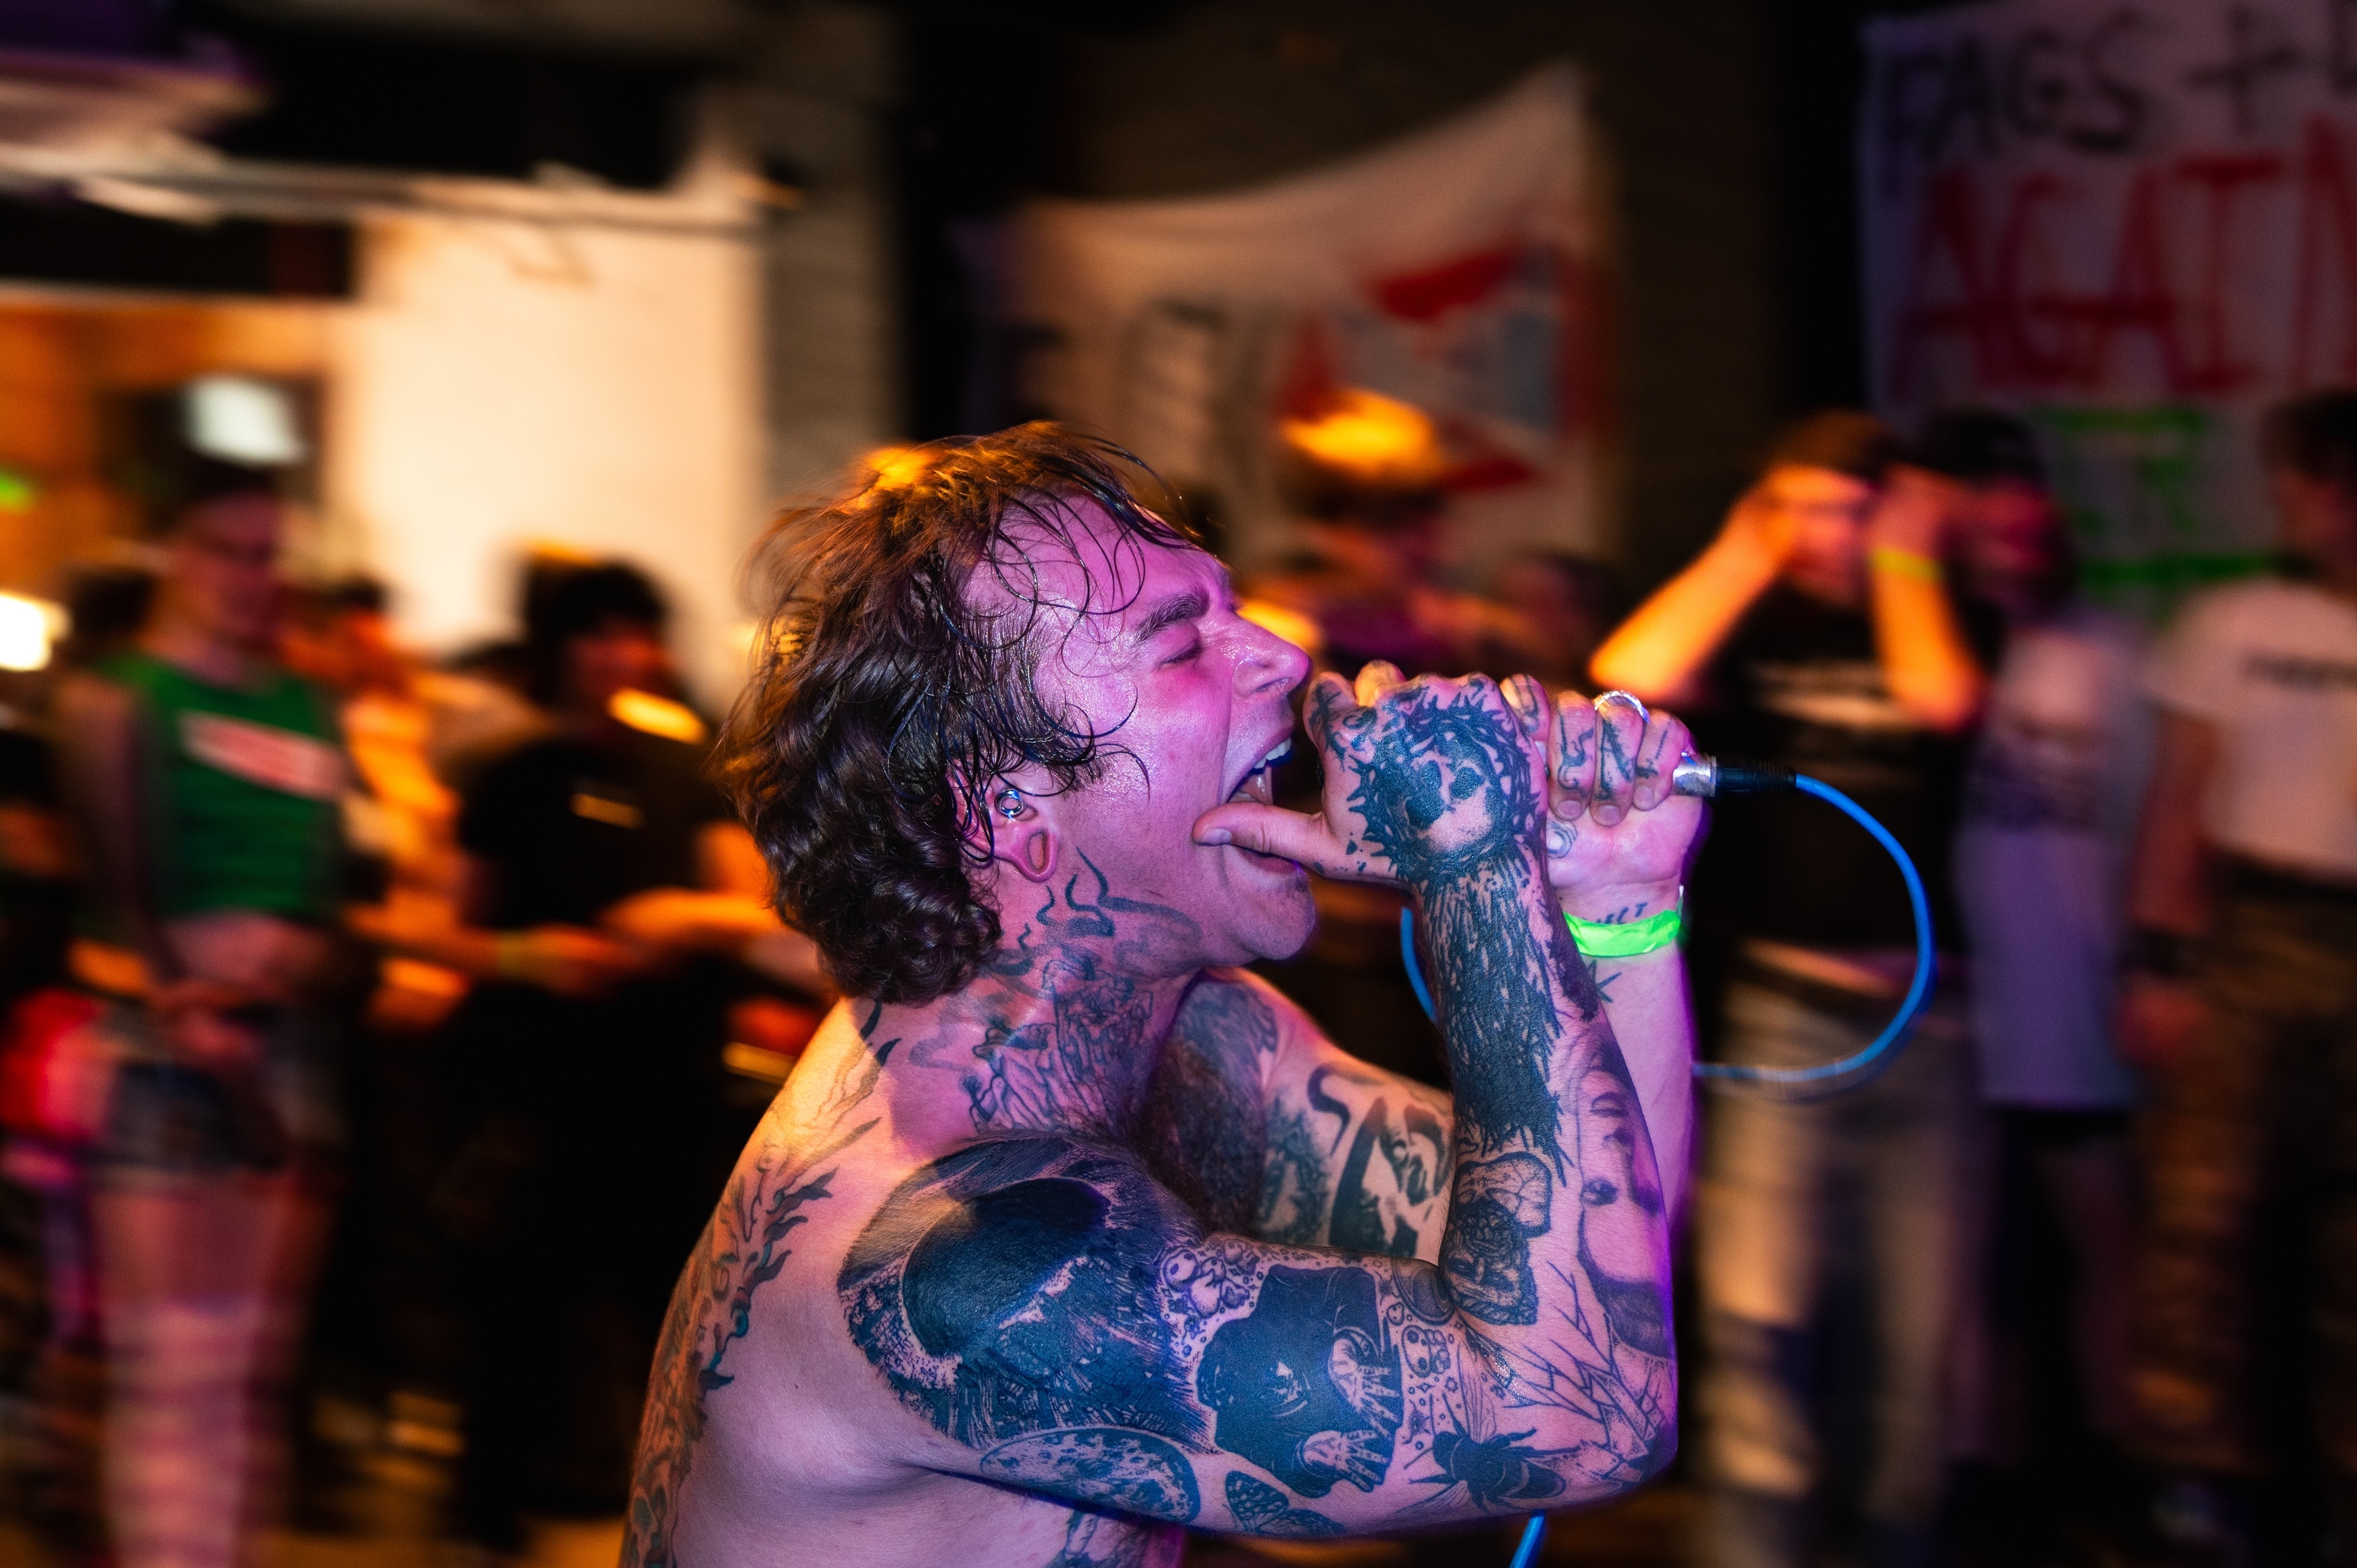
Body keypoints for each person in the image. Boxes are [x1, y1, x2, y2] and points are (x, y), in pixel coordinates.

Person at [620, 424, 1704, 1567]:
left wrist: (1617, 906)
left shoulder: (1199, 1032)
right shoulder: (950, 1252)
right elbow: (1580, 1411)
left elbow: (1598, 1250)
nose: (1284, 656)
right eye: (1182, 642)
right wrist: (1476, 863)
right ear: (1001, 806)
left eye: (1231, 606)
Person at [1592, 411, 1993, 1568]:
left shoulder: (1940, 608)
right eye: (1795, 509)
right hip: (1785, 1021)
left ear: (1893, 514)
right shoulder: (1759, 614)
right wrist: (1741, 552)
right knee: (1758, 1330)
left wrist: (1906, 552)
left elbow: (1939, 701)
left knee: (1913, 1354)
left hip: (1925, 1028)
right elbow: (1631, 670)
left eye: (1841, 510)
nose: (1818, 535)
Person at [412, 559, 826, 1550]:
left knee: (672, 1310)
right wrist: (531, 955)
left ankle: (678, 1509)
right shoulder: (511, 776)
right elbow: (446, 931)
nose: (622, 655)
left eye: (635, 633)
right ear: (554, 645)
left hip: (663, 1085)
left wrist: (677, 924)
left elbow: (752, 908)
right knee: (519, 1308)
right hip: (539, 1083)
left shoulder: (680, 770)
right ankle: (488, 1508)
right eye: (600, 633)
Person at [51, 487, 355, 1568]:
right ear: (178, 552)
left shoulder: (315, 710)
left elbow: (328, 906)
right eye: (230, 550)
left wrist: (300, 958)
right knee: (169, 1373)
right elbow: (100, 901)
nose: (253, 575)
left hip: (282, 1052)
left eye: (272, 554)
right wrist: (173, 994)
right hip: (158, 1046)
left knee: (246, 1373)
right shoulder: (118, 702)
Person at [2121, 388, 2357, 1563]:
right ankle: (2200, 1491)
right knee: (2204, 1225)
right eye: (2301, 482)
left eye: (2327, 480)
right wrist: (2157, 960)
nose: (2312, 504)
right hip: (2254, 935)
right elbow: (2176, 800)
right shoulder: (2232, 621)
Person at [1931, 410, 2148, 1543]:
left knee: (2107, 1252)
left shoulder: (2113, 655)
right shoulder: (1943, 659)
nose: (2015, 538)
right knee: (1974, 1281)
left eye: (2034, 519)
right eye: (1993, 523)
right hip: (1963, 1020)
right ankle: (1984, 1489)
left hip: (2073, 1014)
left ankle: (2121, 1480)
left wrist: (2151, 965)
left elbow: (2158, 826)